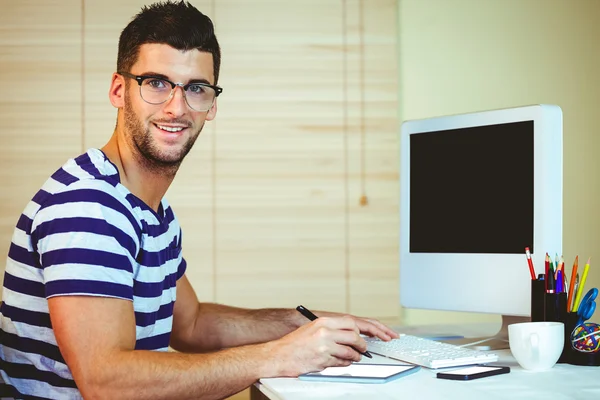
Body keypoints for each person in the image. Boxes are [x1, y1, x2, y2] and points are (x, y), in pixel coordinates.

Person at [0, 1, 398, 399]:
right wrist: (279, 356)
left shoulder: (148, 210)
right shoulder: (89, 207)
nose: (176, 107)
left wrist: (305, 322)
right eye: (156, 83)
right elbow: (108, 383)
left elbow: (191, 324)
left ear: (212, 104)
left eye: (195, 88)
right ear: (119, 90)